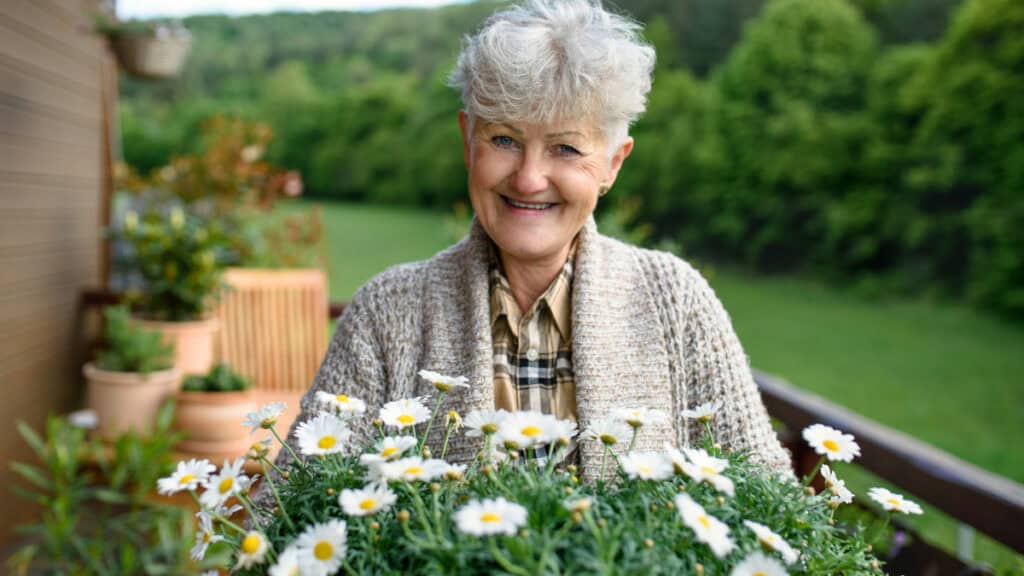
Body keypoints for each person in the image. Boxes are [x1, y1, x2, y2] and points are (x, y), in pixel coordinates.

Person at [271, 0, 791, 482]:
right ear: (467, 140)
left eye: (565, 148)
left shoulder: (676, 301)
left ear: (613, 163)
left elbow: (771, 504)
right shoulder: (386, 312)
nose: (528, 178)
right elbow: (286, 512)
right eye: (504, 140)